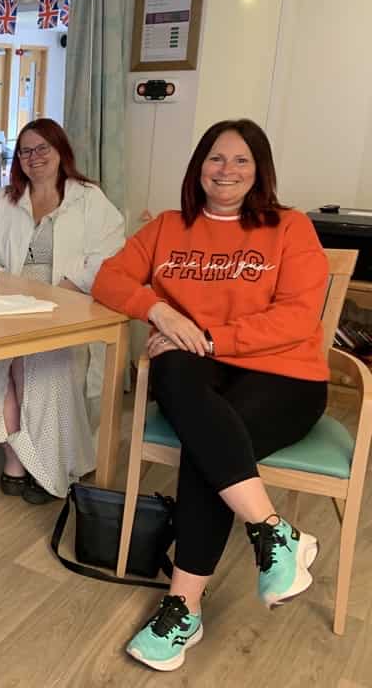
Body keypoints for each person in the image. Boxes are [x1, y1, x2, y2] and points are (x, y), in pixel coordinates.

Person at [92, 119, 329, 672]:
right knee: (170, 361)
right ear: (199, 167)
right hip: (199, 372)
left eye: (241, 160)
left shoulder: (289, 228)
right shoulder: (169, 227)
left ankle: (183, 607)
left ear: (259, 170)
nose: (226, 170)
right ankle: (274, 533)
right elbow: (107, 278)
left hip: (285, 376)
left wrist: (217, 339)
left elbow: (297, 318)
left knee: (207, 446)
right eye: (216, 159)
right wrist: (160, 310)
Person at [0, 118, 125, 504]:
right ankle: (16, 460)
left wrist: (64, 289)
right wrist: (13, 295)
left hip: (67, 307)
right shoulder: (3, 200)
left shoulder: (89, 198)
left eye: (43, 148)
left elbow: (109, 253)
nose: (34, 157)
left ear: (61, 151)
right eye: (25, 151)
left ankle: (45, 465)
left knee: (42, 366)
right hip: (7, 305)